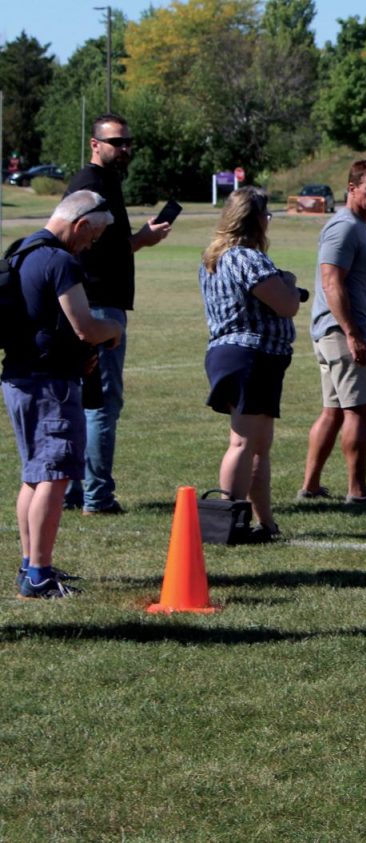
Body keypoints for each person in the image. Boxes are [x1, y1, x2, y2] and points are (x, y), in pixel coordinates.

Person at [5, 191, 124, 597]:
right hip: (49, 384)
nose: (91, 245)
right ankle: (39, 575)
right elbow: (85, 326)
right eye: (93, 236)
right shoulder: (60, 260)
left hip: (19, 377)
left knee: (35, 476)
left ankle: (30, 565)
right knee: (54, 476)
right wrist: (113, 331)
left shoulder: (22, 249)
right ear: (81, 224)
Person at [64, 112, 172, 515]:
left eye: (128, 142)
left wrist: (138, 237)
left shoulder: (106, 182)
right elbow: (93, 250)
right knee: (101, 402)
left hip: (95, 300)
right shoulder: (90, 184)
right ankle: (97, 495)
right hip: (96, 304)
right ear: (95, 144)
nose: (125, 149)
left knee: (85, 399)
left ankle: (76, 491)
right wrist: (141, 240)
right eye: (116, 143)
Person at [199, 187, 301, 539]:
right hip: (251, 356)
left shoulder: (214, 257)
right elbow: (286, 304)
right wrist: (288, 282)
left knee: (258, 446)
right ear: (255, 219)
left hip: (235, 354)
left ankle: (265, 523)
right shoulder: (246, 258)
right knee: (243, 444)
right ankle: (228, 522)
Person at [297, 160, 366, 505]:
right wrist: (352, 333)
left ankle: (311, 486)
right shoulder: (344, 227)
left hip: (339, 331)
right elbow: (330, 280)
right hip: (343, 332)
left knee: (333, 411)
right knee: (359, 410)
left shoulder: (357, 225)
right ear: (352, 189)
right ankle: (357, 490)